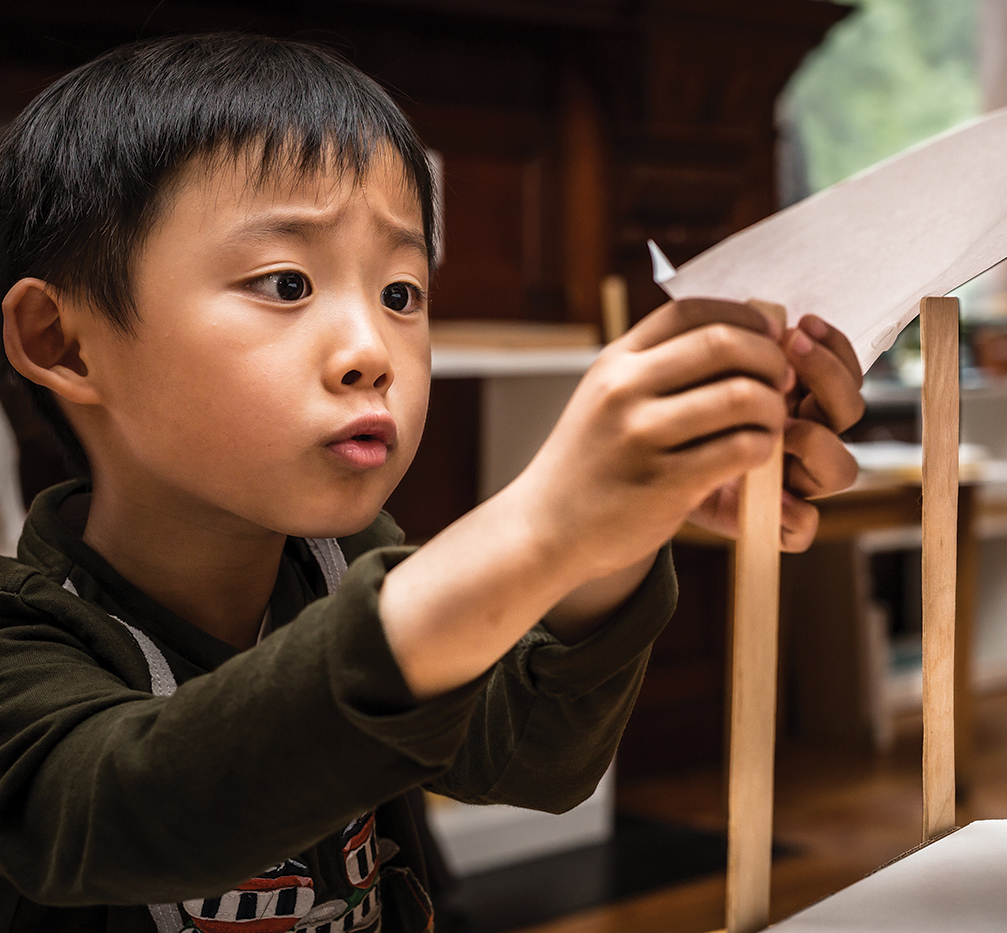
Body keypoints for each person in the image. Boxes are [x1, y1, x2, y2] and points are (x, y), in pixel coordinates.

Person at [0, 32, 865, 933]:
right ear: (64, 341)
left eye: (402, 293)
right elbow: (133, 806)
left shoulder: (347, 562)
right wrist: (542, 528)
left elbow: (538, 758)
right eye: (286, 282)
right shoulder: (21, 638)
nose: (372, 351)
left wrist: (616, 538)